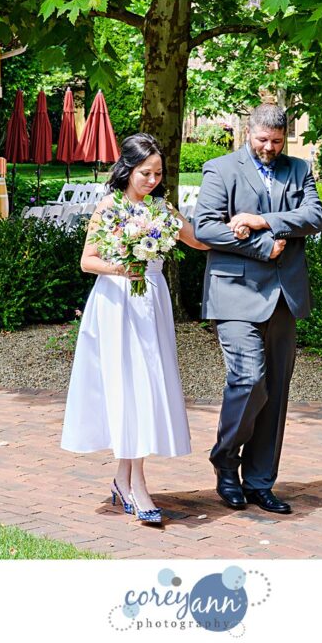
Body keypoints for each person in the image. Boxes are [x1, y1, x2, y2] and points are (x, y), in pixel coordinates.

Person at [60, 133, 209, 524]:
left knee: (145, 385)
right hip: (115, 305)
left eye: (159, 173)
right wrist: (124, 267)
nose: (153, 180)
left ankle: (124, 479)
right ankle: (136, 484)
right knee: (126, 386)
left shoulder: (161, 209)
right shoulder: (109, 206)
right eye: (146, 173)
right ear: (128, 169)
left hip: (152, 304)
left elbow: (195, 239)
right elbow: (87, 261)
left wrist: (242, 233)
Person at [193, 104, 322, 514]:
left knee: (277, 392)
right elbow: (207, 227)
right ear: (247, 132)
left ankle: (261, 481)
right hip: (234, 293)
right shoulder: (220, 169)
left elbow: (314, 216)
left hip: (285, 295)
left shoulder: (299, 169)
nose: (269, 148)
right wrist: (262, 245)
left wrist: (261, 220)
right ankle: (225, 459)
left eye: (277, 141)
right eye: (262, 140)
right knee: (250, 379)